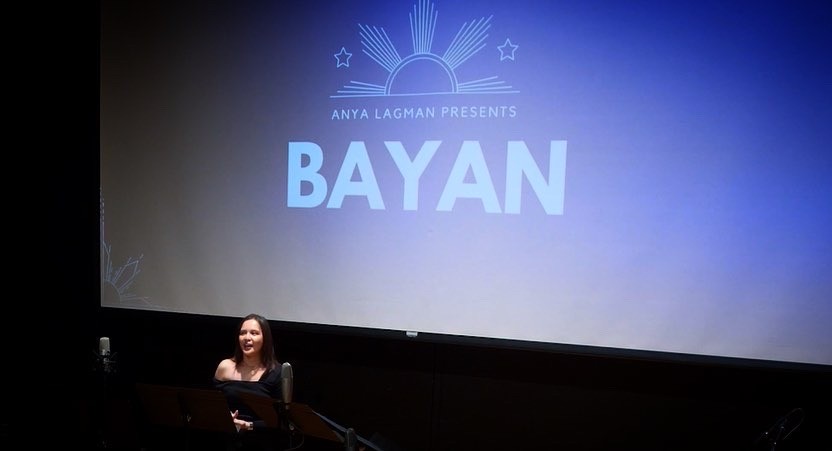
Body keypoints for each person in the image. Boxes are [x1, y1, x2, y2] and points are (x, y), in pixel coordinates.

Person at [214, 313, 285, 449]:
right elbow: (208, 406)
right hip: (225, 438)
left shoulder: (277, 372)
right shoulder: (225, 367)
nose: (247, 338)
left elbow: (281, 421)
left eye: (254, 333)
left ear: (265, 338)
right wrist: (225, 416)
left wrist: (248, 425)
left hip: (261, 442)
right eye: (242, 333)